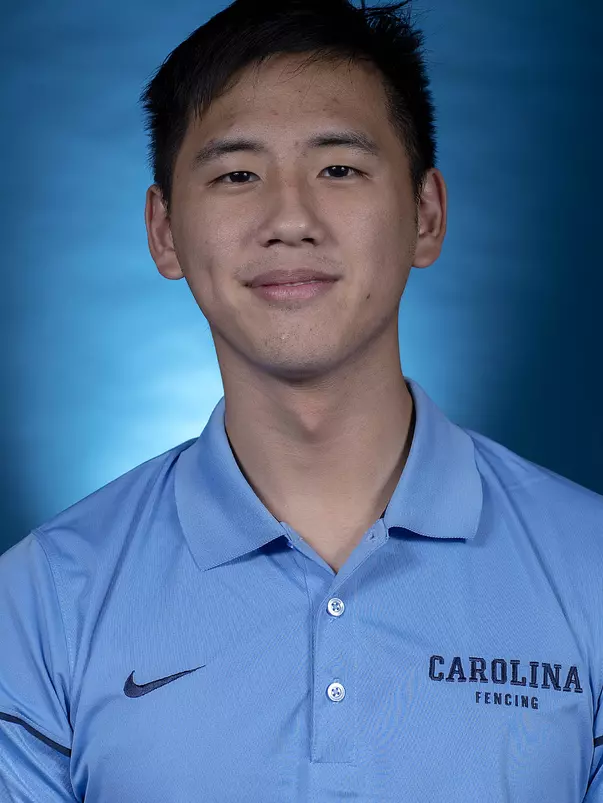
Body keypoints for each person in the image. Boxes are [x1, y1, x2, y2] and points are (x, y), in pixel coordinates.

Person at [1, 0, 602, 799]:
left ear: (426, 214)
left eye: (339, 168)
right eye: (237, 174)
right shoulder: (43, 599)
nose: (290, 219)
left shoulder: (589, 571)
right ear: (165, 232)